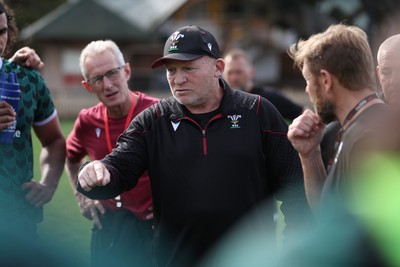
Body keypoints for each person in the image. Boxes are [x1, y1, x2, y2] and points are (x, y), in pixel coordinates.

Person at [76, 25, 311, 267]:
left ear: (218, 68)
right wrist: (98, 173)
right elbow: (119, 168)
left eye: (188, 68)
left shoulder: (259, 113)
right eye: (171, 70)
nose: (178, 79)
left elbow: (294, 190)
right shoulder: (153, 120)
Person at [65, 40, 158, 267]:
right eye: (97, 78)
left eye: (112, 73)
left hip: (153, 228)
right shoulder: (87, 120)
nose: (107, 85)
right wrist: (82, 197)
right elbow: (71, 156)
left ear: (126, 71)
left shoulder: (157, 113)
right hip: (108, 227)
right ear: (88, 86)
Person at [0, 0, 65, 240]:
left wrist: (49, 183)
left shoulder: (27, 79)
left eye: (2, 32)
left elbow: (55, 141)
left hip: (20, 224)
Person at [223, 48, 304, 121]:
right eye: (230, 73)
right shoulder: (220, 101)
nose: (234, 78)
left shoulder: (269, 98)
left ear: (251, 72)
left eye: (238, 72)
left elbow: (303, 114)